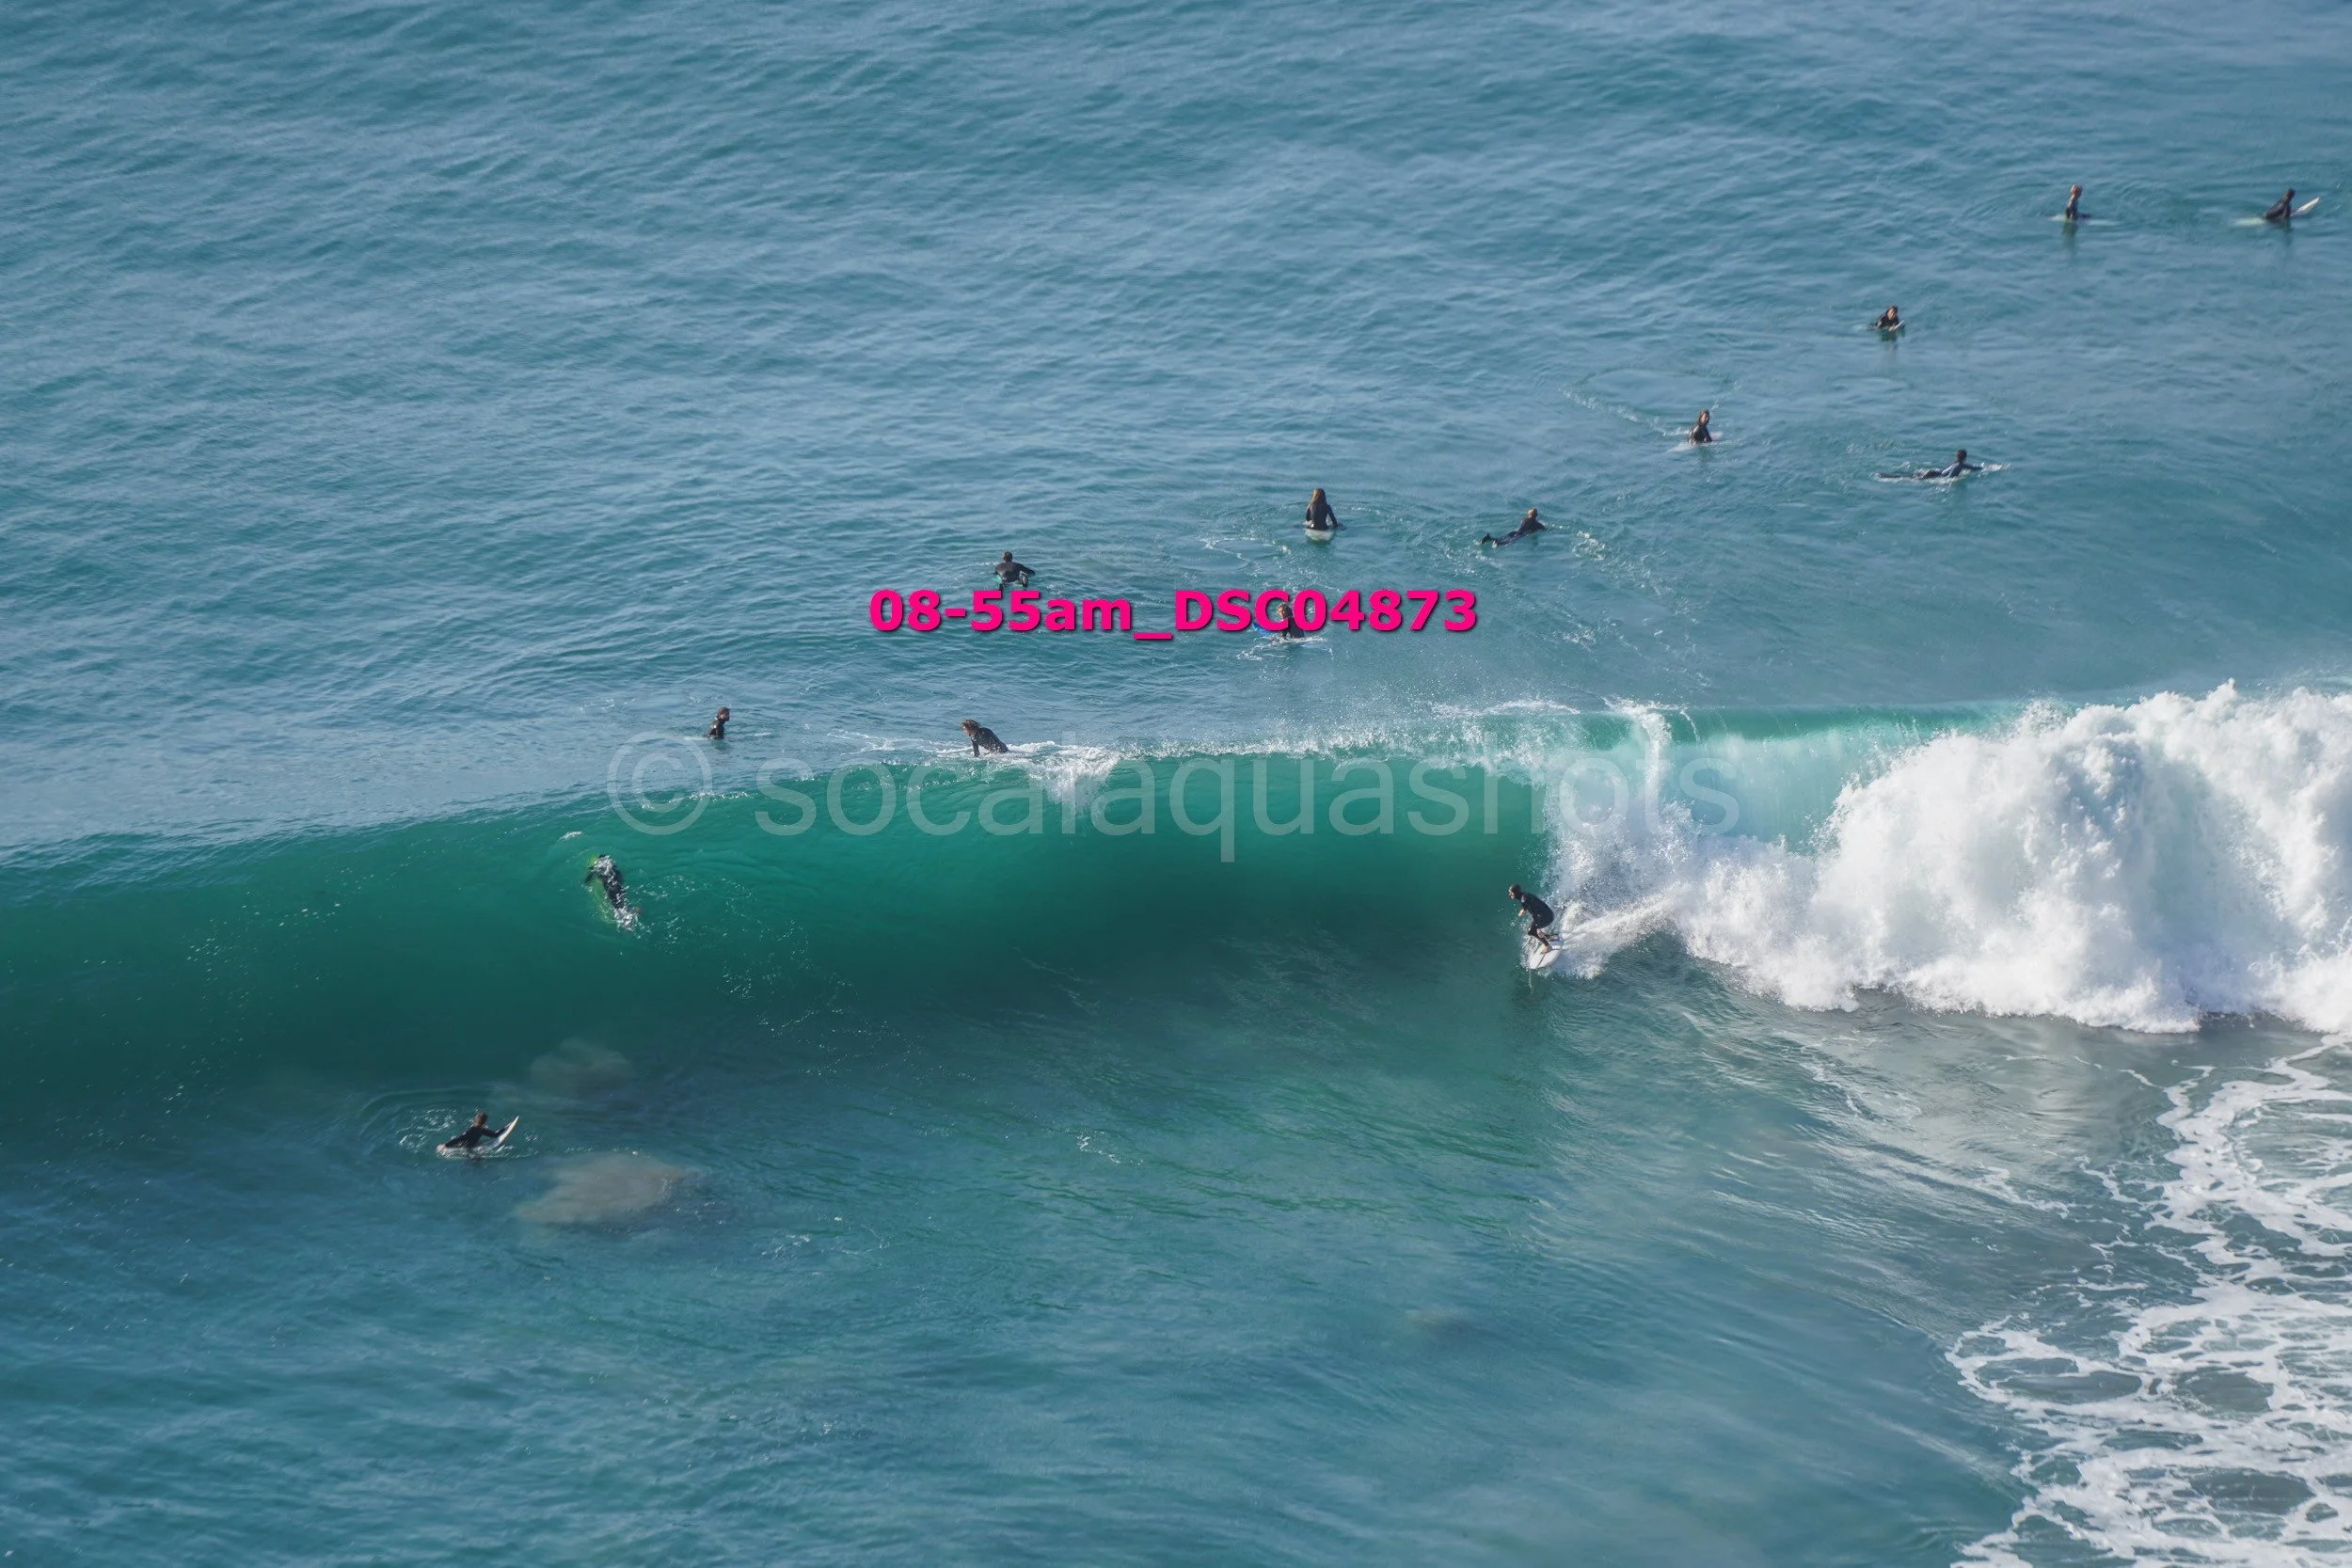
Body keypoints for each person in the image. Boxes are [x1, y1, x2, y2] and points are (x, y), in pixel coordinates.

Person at [1507, 884, 1556, 952]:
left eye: (1511, 893)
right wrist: (1524, 909)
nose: (1510, 894)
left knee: (1531, 931)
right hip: (1547, 914)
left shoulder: (1524, 900)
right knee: (1532, 930)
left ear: (1516, 892)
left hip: (1546, 917)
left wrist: (1538, 929)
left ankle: (1548, 946)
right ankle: (1549, 937)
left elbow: (1534, 914)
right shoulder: (1525, 895)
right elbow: (1530, 905)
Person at [440, 1112, 504, 1155]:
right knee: (477, 1156)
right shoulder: (476, 1130)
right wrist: (446, 1145)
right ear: (485, 1122)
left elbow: (495, 1134)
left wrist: (506, 1127)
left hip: (470, 1147)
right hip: (464, 1148)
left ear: (475, 1121)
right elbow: (459, 1139)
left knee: (477, 1156)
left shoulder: (480, 1129)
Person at [1482, 508, 1546, 546]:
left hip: (1514, 531)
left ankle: (1489, 538)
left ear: (1528, 514)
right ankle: (1498, 543)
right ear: (1536, 515)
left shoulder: (1524, 519)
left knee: (1503, 538)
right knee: (1509, 542)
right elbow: (1543, 529)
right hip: (1520, 534)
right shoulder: (1535, 523)